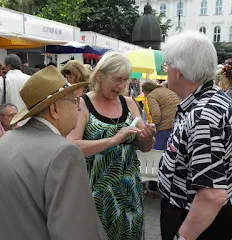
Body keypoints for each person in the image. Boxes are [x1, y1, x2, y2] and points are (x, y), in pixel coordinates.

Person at [0, 66, 107, 240]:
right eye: (75, 101)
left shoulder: (5, 140)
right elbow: (76, 229)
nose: (79, 107)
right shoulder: (64, 152)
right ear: (55, 109)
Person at [67, 51, 156, 240]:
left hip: (129, 191)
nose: (122, 86)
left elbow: (145, 146)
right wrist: (113, 140)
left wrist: (148, 136)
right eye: (117, 79)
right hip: (97, 192)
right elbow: (71, 145)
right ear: (99, 75)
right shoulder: (83, 104)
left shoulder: (129, 103)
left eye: (125, 80)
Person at [158, 31, 232, 240]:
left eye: (167, 66)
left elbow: (211, 196)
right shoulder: (211, 102)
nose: (166, 72)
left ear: (179, 71)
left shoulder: (203, 116)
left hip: (195, 221)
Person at [0, 54, 30, 122]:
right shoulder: (29, 79)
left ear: (8, 66)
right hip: (27, 120)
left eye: (4, 66)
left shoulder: (2, 80)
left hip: (9, 122)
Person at [141, 81, 181, 150]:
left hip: (165, 126)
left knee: (158, 151)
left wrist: (153, 128)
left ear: (145, 90)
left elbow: (156, 114)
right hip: (178, 124)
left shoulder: (151, 95)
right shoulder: (165, 90)